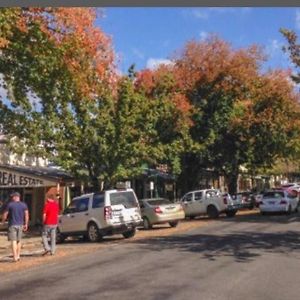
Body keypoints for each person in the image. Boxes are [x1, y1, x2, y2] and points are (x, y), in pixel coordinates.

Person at [1, 192, 29, 262]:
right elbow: (26, 215)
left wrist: (3, 221)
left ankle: (14, 257)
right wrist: (26, 224)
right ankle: (18, 255)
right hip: (20, 224)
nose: (11, 198)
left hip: (12, 224)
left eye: (12, 197)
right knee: (19, 240)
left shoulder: (10, 204)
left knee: (13, 241)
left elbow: (5, 214)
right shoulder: (24, 205)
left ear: (15, 197)